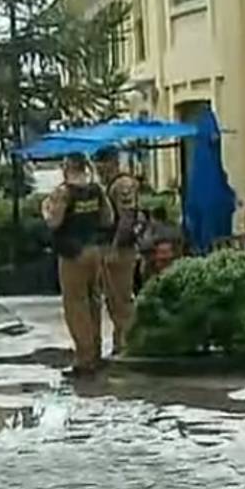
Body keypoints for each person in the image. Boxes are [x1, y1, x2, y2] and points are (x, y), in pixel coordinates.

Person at [42, 153, 114, 378]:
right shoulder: (96, 190)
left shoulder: (64, 193)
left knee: (76, 305)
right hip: (95, 251)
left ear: (66, 167)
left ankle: (84, 358)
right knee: (94, 301)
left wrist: (46, 208)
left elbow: (54, 222)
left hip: (73, 254)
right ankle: (97, 351)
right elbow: (108, 219)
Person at [93, 147, 139, 356]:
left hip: (120, 250)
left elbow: (127, 218)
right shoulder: (109, 185)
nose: (99, 168)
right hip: (109, 248)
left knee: (121, 300)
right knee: (113, 300)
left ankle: (128, 344)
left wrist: (115, 247)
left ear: (112, 162)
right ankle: (121, 343)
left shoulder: (122, 185)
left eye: (101, 163)